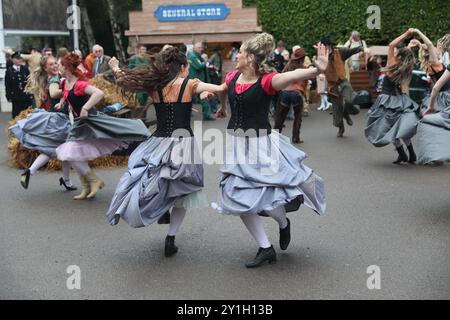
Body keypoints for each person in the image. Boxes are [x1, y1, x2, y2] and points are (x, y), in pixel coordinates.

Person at [213, 33, 327, 268]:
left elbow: (291, 76)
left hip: (260, 145)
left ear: (252, 58)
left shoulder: (267, 81)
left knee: (267, 200)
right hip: (236, 145)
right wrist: (222, 106)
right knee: (238, 198)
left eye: (241, 53)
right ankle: (266, 248)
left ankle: (283, 224)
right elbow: (223, 89)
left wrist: (316, 70)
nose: (237, 55)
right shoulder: (233, 76)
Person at [107, 47, 225, 257]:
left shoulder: (155, 86)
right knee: (184, 190)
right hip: (183, 144)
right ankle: (171, 236)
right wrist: (217, 87)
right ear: (182, 67)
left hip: (158, 142)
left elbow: (125, 81)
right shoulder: (190, 84)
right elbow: (220, 87)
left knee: (156, 180)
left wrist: (116, 68)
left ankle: (160, 210)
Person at [55, 53, 150, 200]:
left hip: (90, 121)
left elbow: (98, 93)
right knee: (71, 154)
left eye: (60, 64)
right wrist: (62, 102)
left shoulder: (80, 85)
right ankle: (87, 187)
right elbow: (66, 94)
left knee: (69, 153)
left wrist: (86, 107)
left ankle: (94, 181)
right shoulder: (64, 82)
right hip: (80, 123)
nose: (58, 67)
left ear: (67, 67)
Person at [10, 55, 76, 191]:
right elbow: (53, 93)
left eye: (55, 63)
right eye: (51, 65)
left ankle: (32, 172)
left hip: (57, 118)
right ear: (46, 68)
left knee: (55, 150)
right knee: (65, 150)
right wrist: (70, 89)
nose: (55, 65)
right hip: (59, 120)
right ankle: (65, 180)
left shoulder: (56, 76)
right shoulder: (54, 79)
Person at [364, 29, 420, 164]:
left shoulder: (392, 64)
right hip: (399, 99)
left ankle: (402, 154)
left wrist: (406, 34)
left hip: (387, 99)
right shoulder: (405, 67)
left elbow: (391, 45)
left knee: (388, 127)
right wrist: (409, 47)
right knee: (398, 127)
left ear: (398, 55)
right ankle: (411, 154)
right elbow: (404, 54)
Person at [322, 36, 369, 137]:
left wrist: (363, 48)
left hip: (343, 82)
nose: (327, 48)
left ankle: (347, 114)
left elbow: (352, 50)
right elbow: (314, 67)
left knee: (349, 100)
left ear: (331, 46)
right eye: (324, 47)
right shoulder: (321, 57)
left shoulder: (339, 52)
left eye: (328, 46)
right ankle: (341, 128)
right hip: (332, 85)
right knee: (336, 109)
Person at [274, 47, 309, 143]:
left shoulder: (288, 65)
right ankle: (295, 137)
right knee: (298, 116)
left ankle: (275, 138)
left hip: (285, 93)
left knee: (280, 117)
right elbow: (305, 82)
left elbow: (281, 76)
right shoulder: (302, 68)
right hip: (296, 93)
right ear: (302, 58)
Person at [188, 42, 215, 120]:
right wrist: (205, 62)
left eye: (201, 47)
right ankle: (206, 115)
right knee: (192, 98)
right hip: (195, 81)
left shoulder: (197, 56)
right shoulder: (192, 56)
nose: (201, 49)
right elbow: (199, 66)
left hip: (199, 80)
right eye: (200, 47)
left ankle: (206, 115)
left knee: (202, 98)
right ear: (195, 48)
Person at [5, 52, 33, 118]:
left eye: (20, 58)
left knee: (27, 115)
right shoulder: (9, 71)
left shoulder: (25, 69)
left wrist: (31, 94)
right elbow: (7, 85)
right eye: (17, 58)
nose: (20, 60)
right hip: (16, 97)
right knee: (17, 115)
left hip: (26, 97)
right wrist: (8, 96)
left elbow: (29, 82)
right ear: (13, 60)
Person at [128, 44, 150, 109]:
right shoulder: (133, 58)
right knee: (139, 96)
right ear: (139, 50)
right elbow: (130, 69)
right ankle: (138, 112)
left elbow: (150, 68)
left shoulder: (147, 58)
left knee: (146, 95)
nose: (144, 51)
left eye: (145, 49)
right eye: (143, 49)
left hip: (146, 79)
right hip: (137, 79)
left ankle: (144, 113)